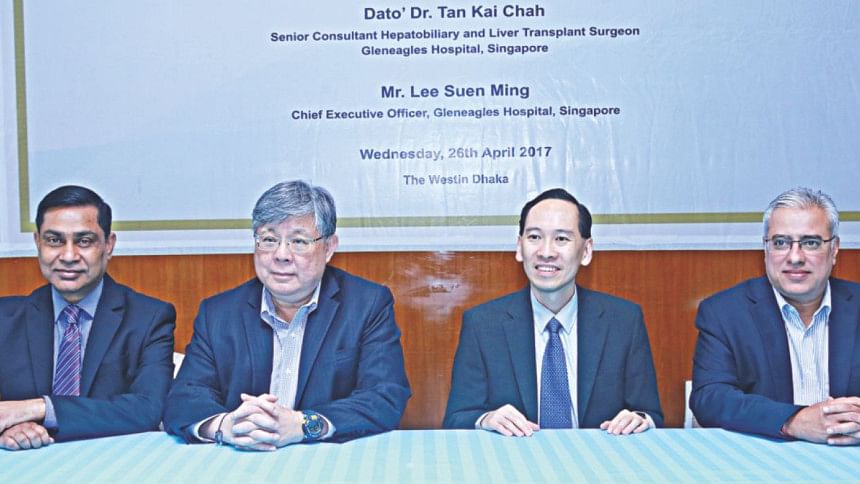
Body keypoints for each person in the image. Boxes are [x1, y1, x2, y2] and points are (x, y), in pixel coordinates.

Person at [163, 180, 411, 450]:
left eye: (299, 241)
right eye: (269, 240)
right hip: (243, 458)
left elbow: (384, 396)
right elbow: (184, 398)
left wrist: (303, 424)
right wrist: (227, 426)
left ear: (329, 248)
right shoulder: (218, 313)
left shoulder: (367, 305)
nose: (281, 255)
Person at [443, 188, 663, 436]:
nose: (546, 252)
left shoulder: (623, 321)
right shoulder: (483, 324)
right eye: (534, 237)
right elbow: (456, 419)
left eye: (561, 239)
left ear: (586, 251)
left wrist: (639, 420)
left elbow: (650, 413)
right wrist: (486, 419)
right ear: (519, 247)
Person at [0, 185, 176, 450]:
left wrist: (37, 409)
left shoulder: (149, 318)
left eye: (84, 241)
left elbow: (150, 408)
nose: (68, 256)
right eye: (54, 240)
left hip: (111, 460)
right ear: (38, 243)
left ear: (108, 245)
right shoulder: (5, 319)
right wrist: (10, 427)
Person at [691, 187, 860, 445]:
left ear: (834, 249)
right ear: (765, 248)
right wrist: (793, 421)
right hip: (764, 455)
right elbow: (710, 398)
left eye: (811, 243)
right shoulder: (724, 312)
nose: (795, 257)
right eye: (781, 242)